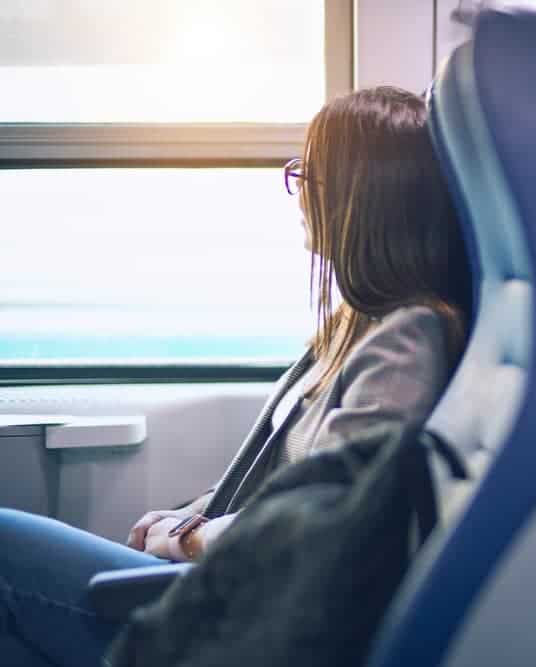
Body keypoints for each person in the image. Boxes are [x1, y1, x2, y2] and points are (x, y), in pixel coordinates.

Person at [0, 86, 473, 667]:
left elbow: (324, 530)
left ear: (360, 197)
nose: (299, 191)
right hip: (231, 579)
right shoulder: (353, 321)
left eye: (313, 174)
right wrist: (188, 513)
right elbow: (284, 481)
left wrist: (190, 539)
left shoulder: (407, 343)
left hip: (252, 615)